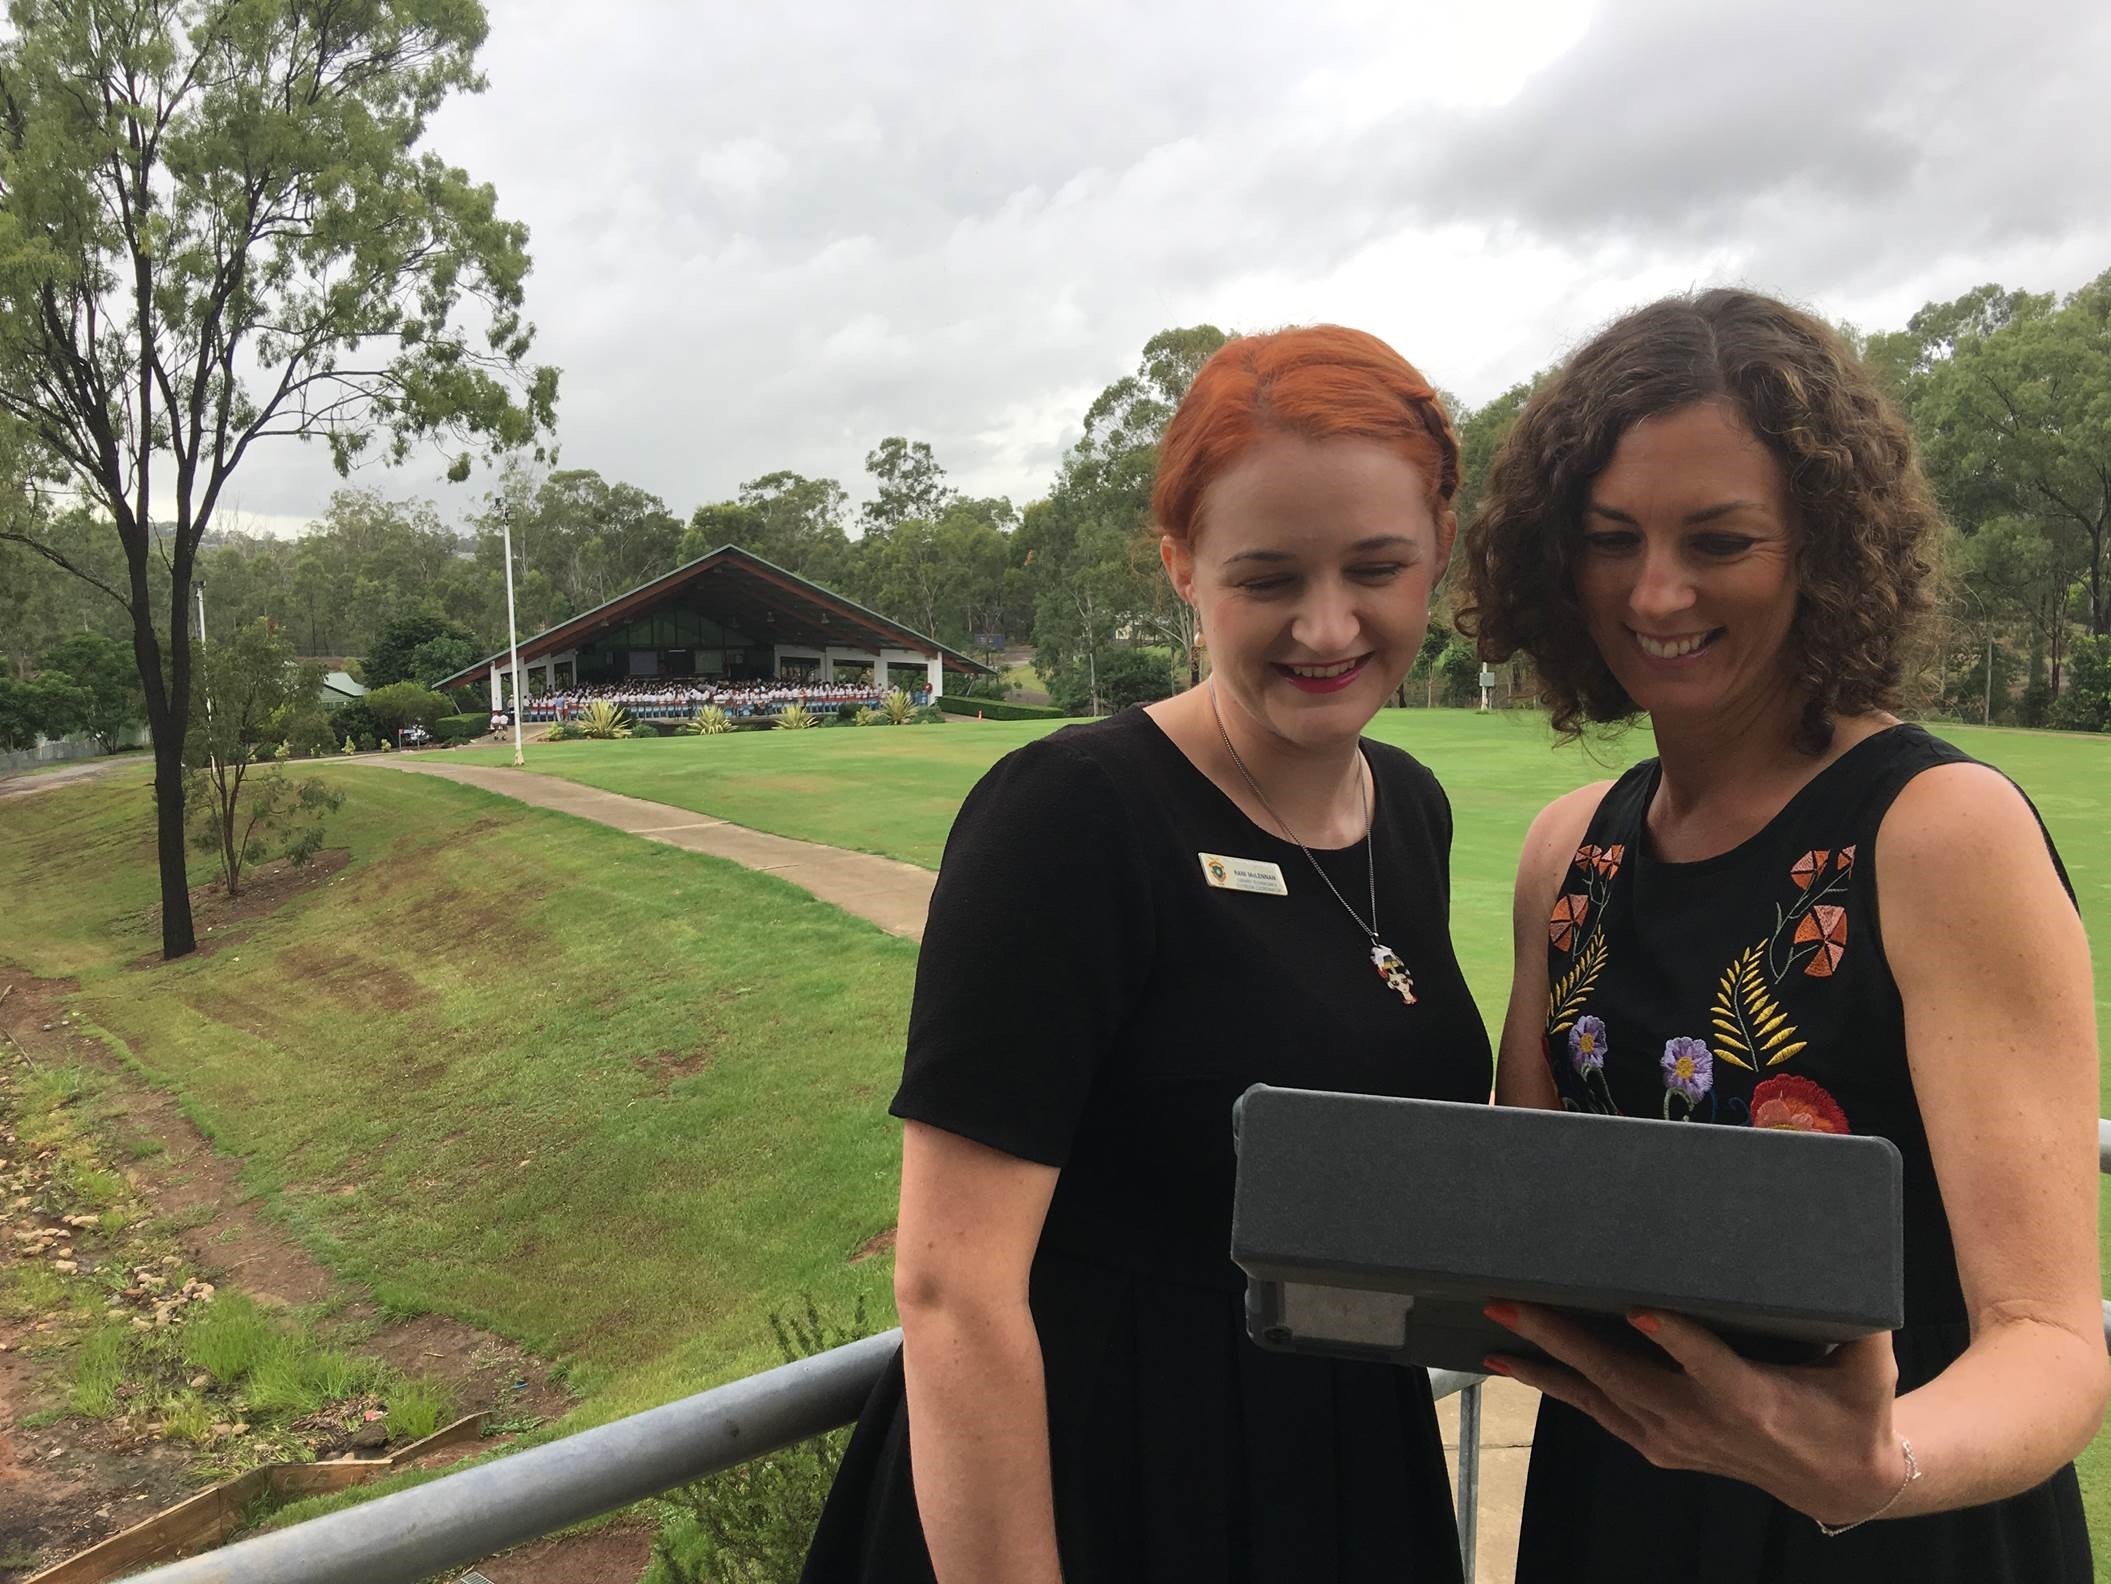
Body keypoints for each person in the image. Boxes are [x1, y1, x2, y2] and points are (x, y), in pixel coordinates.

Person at [802, 326, 1492, 1584]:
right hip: (1094, 1483)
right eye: (1266, 578)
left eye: (1374, 568)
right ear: (1181, 565)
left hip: (1339, 1458)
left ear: (1436, 556)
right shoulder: (1071, 815)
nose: (1325, 625)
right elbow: (952, 1293)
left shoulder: (1410, 809)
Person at [1458, 288, 2103, 1582]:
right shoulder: (1563, 855)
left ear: (1820, 547)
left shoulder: (1934, 834)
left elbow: (2045, 1339)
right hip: (1614, 1512)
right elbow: (1517, 1248)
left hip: (1885, 1528)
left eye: (1717, 540)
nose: (1653, 591)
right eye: (1606, 539)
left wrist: (1872, 1467)